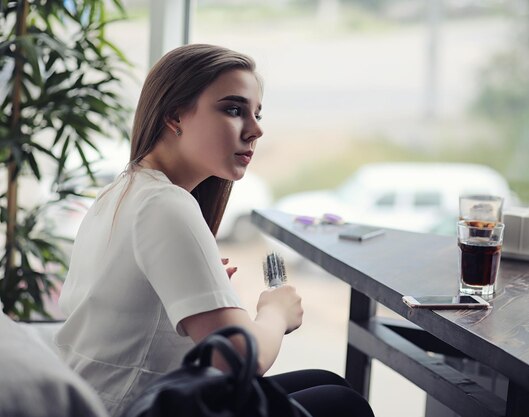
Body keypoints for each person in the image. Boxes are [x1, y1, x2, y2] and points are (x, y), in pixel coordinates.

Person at [54, 44, 375, 417]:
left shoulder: (124, 189)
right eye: (234, 110)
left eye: (256, 113)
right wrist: (276, 312)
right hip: (135, 409)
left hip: (116, 398)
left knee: (327, 381)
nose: (256, 130)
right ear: (175, 116)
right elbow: (238, 360)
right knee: (342, 404)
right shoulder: (165, 205)